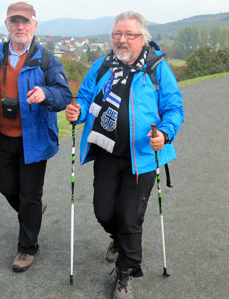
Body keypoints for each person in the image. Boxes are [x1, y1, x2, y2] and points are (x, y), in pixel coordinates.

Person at [65, 11, 184, 299]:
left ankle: (125, 273)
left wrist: (164, 134)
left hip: (143, 155)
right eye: (118, 34)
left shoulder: (157, 68)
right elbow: (83, 96)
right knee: (103, 210)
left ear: (143, 38)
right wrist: (77, 112)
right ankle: (118, 240)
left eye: (130, 34)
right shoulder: (102, 64)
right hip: (107, 151)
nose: (122, 39)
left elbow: (174, 108)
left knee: (131, 217)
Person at [0, 1, 72, 273]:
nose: (20, 26)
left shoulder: (47, 59)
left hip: (33, 138)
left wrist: (45, 94)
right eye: (14, 21)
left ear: (34, 25)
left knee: (28, 195)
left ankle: (27, 248)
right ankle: (34, 210)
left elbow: (63, 95)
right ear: (7, 25)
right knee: (6, 187)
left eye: (25, 22)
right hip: (3, 136)